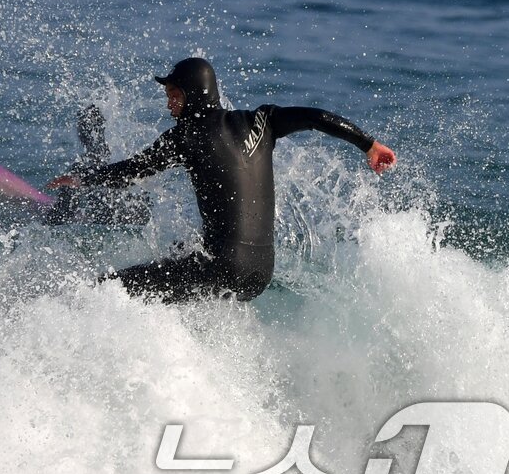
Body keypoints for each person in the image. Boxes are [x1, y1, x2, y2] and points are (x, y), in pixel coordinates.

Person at [47, 57, 397, 303]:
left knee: (109, 290)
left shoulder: (184, 137)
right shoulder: (262, 122)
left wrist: (80, 179)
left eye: (174, 94)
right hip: (260, 274)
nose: (169, 103)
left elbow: (132, 171)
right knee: (179, 256)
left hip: (222, 267)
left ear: (193, 94)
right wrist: (368, 144)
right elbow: (315, 117)